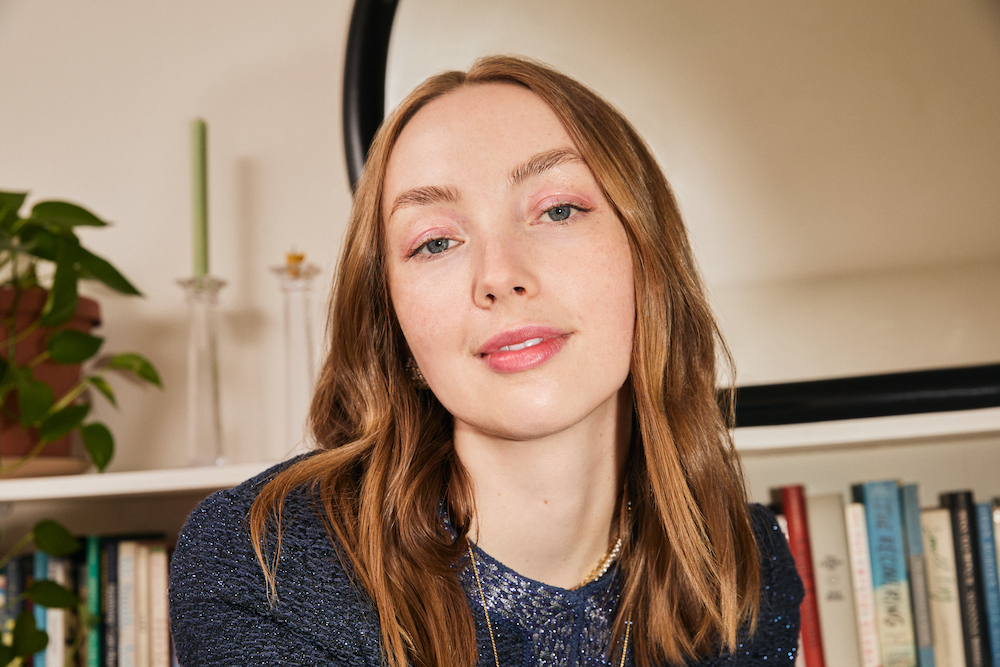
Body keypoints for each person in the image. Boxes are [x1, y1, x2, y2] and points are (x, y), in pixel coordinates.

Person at [169, 55, 802, 667]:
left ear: (647, 257)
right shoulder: (264, 565)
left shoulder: (746, 567)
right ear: (392, 321)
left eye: (558, 210)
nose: (500, 276)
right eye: (436, 242)